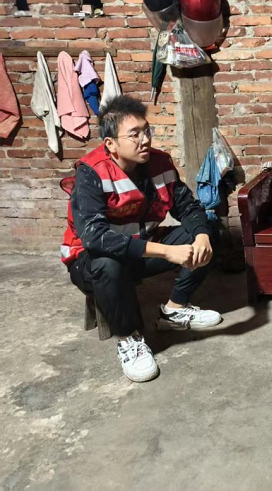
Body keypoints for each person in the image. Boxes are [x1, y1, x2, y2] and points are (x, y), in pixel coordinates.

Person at [61, 96, 221, 383]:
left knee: (208, 229)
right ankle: (129, 338)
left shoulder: (159, 162)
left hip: (140, 249)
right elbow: (95, 238)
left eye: (146, 131)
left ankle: (174, 310)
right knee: (107, 264)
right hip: (91, 261)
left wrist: (200, 236)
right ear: (111, 143)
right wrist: (167, 252)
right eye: (134, 134)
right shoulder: (92, 172)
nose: (144, 139)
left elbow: (188, 207)